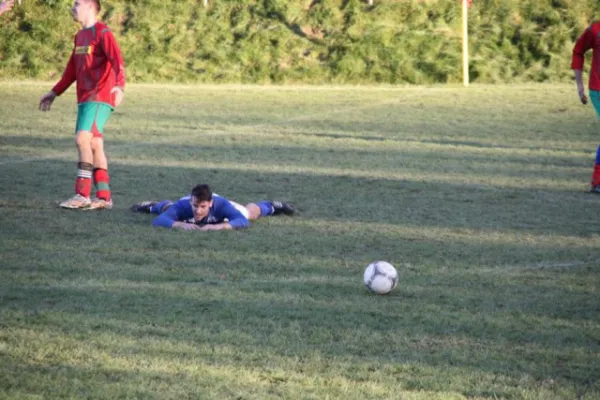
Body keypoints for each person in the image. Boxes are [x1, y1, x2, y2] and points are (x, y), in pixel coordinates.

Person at [39, 0, 126, 209]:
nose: (72, 7)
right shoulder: (80, 36)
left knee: (82, 139)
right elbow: (71, 70)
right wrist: (54, 92)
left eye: (76, 3)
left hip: (100, 96)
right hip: (85, 97)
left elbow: (117, 60)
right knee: (94, 144)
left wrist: (120, 86)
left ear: (89, 5)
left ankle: (82, 194)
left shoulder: (102, 32)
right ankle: (104, 198)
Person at [130, 184, 296, 231]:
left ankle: (270, 206)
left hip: (222, 213)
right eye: (195, 206)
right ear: (191, 202)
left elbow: (241, 222)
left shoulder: (221, 204)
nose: (198, 210)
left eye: (202, 206)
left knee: (248, 214)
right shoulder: (185, 205)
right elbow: (159, 221)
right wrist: (179, 224)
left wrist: (220, 226)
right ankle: (153, 205)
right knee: (169, 211)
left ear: (210, 203)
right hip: (177, 206)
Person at [572, 22, 600, 193]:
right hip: (598, 89)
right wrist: (580, 86)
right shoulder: (595, 30)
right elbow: (578, 51)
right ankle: (597, 181)